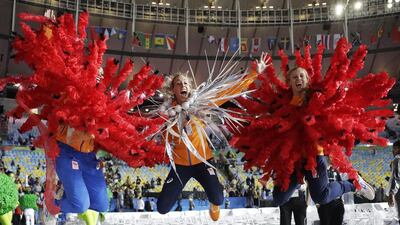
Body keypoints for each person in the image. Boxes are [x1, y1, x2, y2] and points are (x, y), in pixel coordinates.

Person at [156, 54, 269, 221]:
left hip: (203, 162)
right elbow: (164, 137)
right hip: (180, 166)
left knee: (218, 198)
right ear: (173, 89)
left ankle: (213, 203)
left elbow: (227, 92)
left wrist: (252, 74)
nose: (183, 85)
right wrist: (175, 128)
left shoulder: (201, 103)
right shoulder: (166, 113)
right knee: (162, 208)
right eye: (178, 83)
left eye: (186, 82)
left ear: (191, 87)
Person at [272, 68, 375, 209]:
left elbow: (332, 120)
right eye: (294, 77)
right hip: (293, 160)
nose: (298, 79)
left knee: (322, 196)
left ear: (308, 80)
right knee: (278, 198)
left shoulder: (317, 98)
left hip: (314, 156)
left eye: (302, 76)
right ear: (289, 82)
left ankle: (352, 183)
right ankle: (300, 180)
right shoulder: (283, 104)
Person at [54, 124, 108, 225]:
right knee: (80, 206)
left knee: (102, 205)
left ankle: (67, 192)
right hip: (66, 150)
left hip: (89, 154)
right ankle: (50, 203)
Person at [388, 140, 400, 221]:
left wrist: (391, 193)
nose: (393, 151)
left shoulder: (397, 159)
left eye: (395, 148)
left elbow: (395, 178)